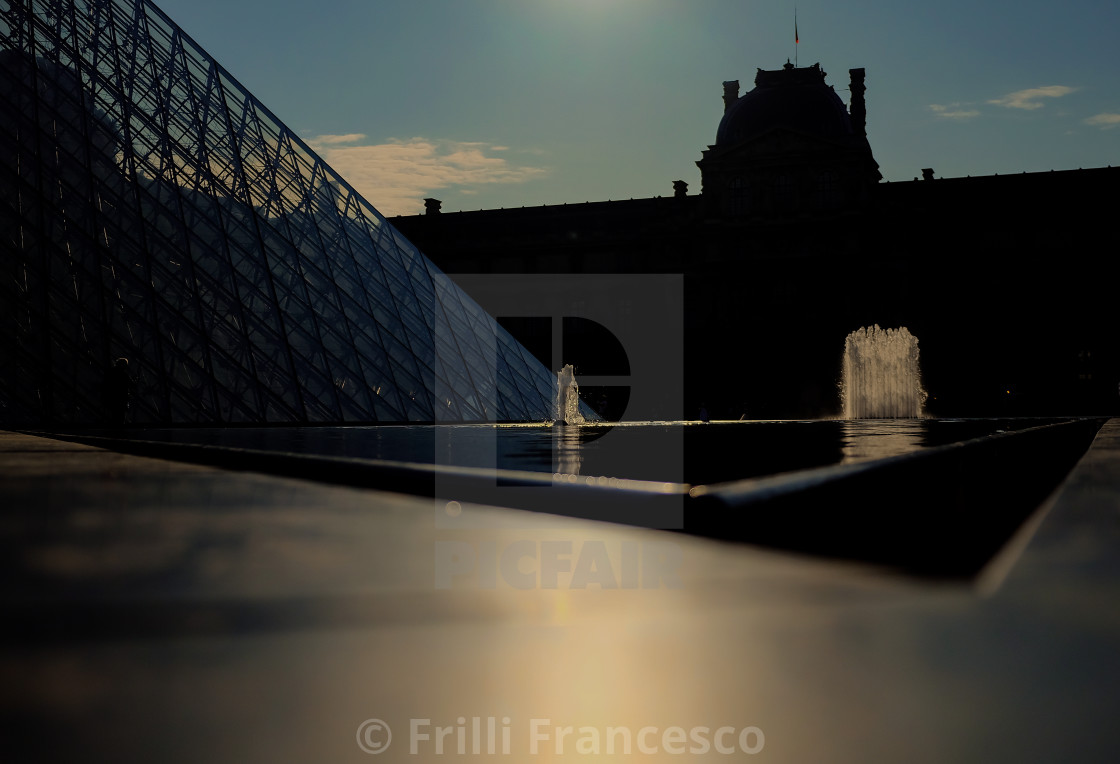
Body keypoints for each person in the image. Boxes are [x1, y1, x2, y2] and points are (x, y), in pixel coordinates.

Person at [103, 357, 132, 426]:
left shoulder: (110, 372)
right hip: (121, 399)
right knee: (120, 417)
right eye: (125, 365)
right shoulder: (124, 375)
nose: (126, 366)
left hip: (112, 399)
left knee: (114, 416)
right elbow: (129, 385)